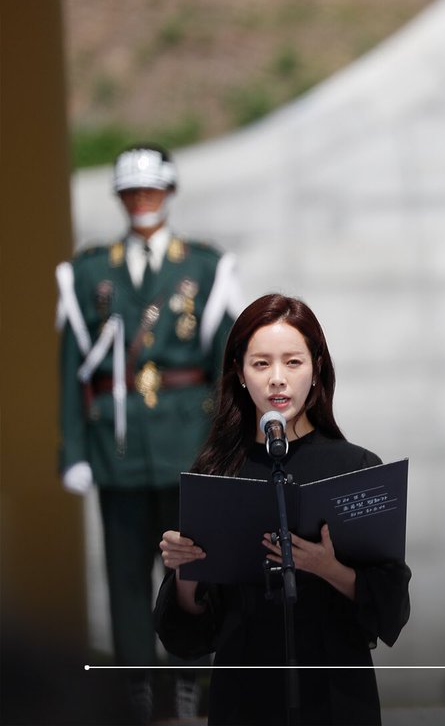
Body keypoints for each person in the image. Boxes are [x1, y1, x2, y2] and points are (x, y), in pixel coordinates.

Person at [154, 293, 412, 726]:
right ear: (238, 373)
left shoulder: (356, 468)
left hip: (336, 696)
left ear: (316, 370)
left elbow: (392, 609)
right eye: (261, 364)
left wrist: (328, 567)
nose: (277, 379)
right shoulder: (217, 473)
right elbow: (189, 636)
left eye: (293, 362)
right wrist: (185, 574)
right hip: (243, 695)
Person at [55, 143, 242, 722]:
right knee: (125, 573)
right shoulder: (91, 272)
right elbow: (70, 370)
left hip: (187, 442)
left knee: (190, 568)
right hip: (119, 443)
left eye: (151, 190)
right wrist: (73, 448)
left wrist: (227, 447)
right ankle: (137, 685)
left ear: (169, 193)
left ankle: (188, 678)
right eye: (132, 192)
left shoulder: (205, 268)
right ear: (119, 197)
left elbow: (228, 364)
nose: (142, 200)